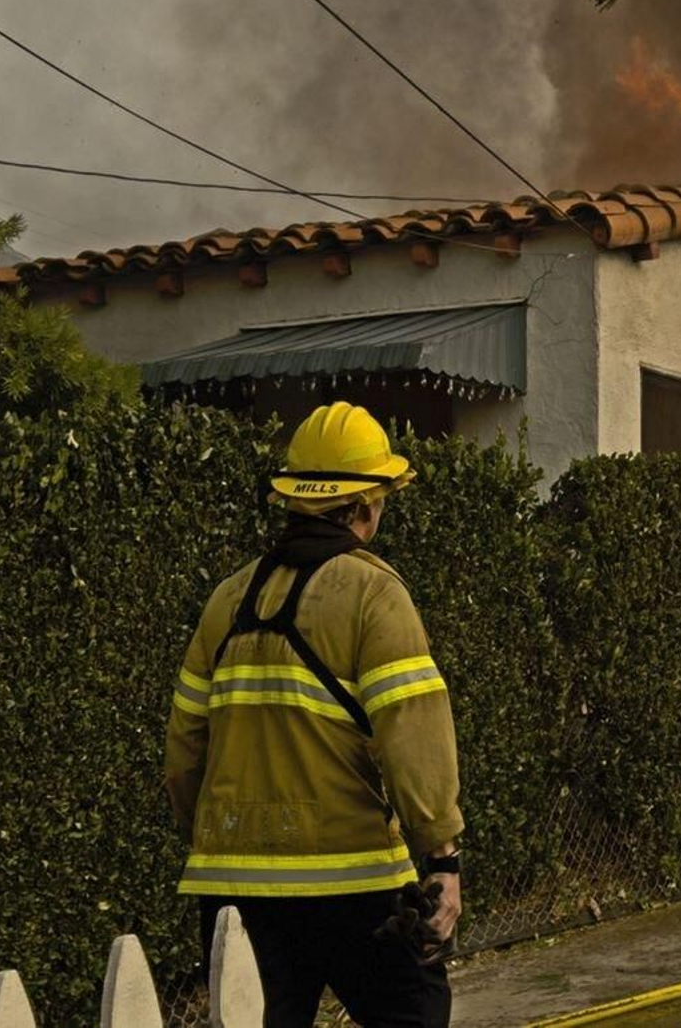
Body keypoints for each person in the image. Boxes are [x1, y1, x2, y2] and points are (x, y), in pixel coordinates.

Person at [165, 402, 463, 1027]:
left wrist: (216, 835)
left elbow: (186, 747)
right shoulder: (374, 593)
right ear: (364, 507)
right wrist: (442, 858)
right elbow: (415, 733)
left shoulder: (227, 598)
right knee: (415, 1013)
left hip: (233, 893)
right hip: (352, 884)